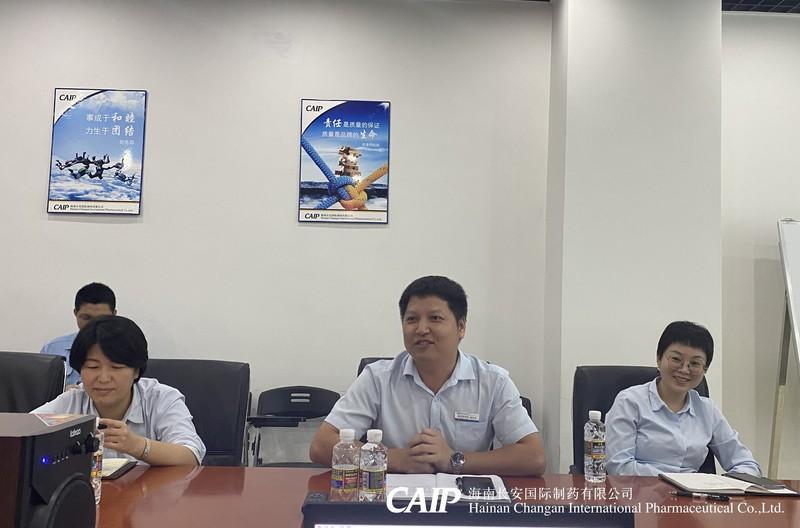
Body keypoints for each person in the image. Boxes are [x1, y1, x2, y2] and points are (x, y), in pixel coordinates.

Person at [309, 275, 546, 476]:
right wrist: (394, 459)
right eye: (412, 319)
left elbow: (534, 457)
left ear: (461, 327)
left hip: (464, 503)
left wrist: (454, 459)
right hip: (392, 502)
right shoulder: (377, 378)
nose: (421, 329)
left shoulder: (493, 381)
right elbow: (322, 445)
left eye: (435, 318)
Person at [32, 315, 205, 466]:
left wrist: (137, 446)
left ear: (136, 371)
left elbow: (191, 456)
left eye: (116, 367)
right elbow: (24, 432)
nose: (103, 378)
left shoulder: (161, 398)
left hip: (151, 492)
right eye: (92, 367)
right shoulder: (71, 402)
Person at [605, 321, 761, 476]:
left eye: (695, 363)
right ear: (659, 358)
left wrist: (724, 483)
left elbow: (747, 464)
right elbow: (619, 466)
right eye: (676, 359)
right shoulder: (629, 402)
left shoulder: (707, 410)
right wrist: (676, 481)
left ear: (705, 369)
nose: (685, 369)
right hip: (642, 491)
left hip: (694, 491)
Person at [40, 282, 117, 388]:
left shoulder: (127, 349)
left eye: (102, 319)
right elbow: (41, 390)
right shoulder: (52, 349)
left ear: (114, 315)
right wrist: (61, 392)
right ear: (75, 313)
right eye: (86, 318)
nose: (93, 325)